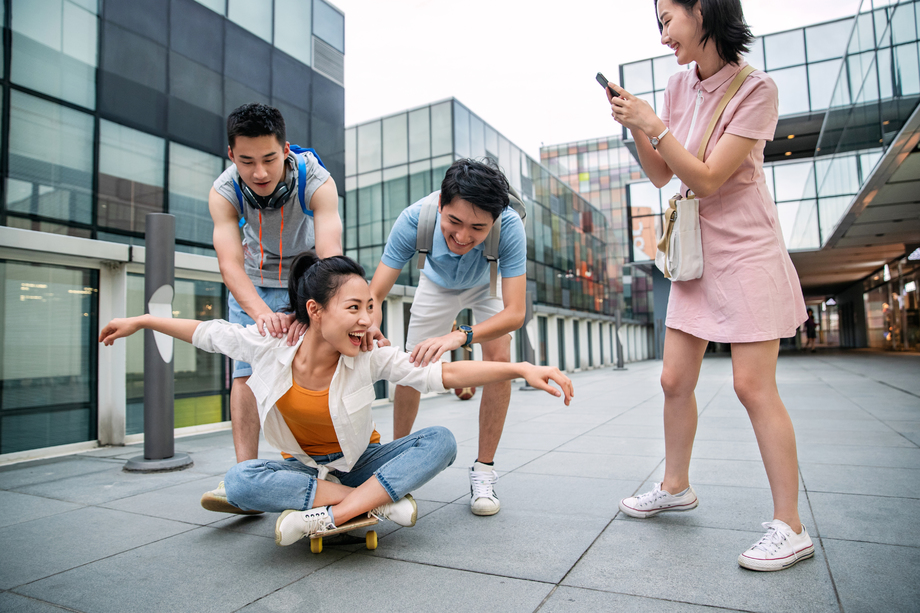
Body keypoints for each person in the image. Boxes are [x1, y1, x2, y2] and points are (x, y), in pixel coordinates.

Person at [99, 253, 572, 547]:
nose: (368, 320)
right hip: (304, 468)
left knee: (441, 440)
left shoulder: (369, 354)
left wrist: (521, 368)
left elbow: (442, 373)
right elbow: (207, 333)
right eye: (354, 308)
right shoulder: (271, 347)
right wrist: (143, 321)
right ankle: (376, 505)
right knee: (240, 481)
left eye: (370, 306)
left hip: (360, 460)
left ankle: (332, 514)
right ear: (315, 311)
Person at [607, 0, 813, 572]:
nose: (664, 35)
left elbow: (709, 176)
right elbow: (662, 174)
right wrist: (635, 129)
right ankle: (675, 485)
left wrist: (654, 124)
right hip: (697, 253)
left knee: (752, 387)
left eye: (668, 20)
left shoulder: (757, 89)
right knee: (674, 377)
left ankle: (790, 526)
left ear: (703, 10)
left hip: (747, 251)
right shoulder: (677, 86)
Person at [364, 158, 526, 517]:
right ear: (440, 205)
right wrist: (368, 321)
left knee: (499, 363)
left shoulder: (510, 228)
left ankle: (484, 471)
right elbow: (374, 294)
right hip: (436, 284)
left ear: (495, 221)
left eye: (478, 228)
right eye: (454, 221)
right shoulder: (414, 219)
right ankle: (395, 465)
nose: (463, 236)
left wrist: (462, 337)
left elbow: (515, 312)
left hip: (487, 284)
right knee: (412, 364)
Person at [204, 103, 343, 513]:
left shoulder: (317, 182)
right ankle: (243, 480)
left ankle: (322, 468)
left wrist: (305, 309)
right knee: (245, 373)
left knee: (314, 369)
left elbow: (330, 256)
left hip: (306, 277)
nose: (260, 172)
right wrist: (261, 312)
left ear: (285, 149)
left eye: (269, 159)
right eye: (247, 161)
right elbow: (229, 264)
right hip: (252, 283)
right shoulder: (223, 192)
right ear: (232, 155)